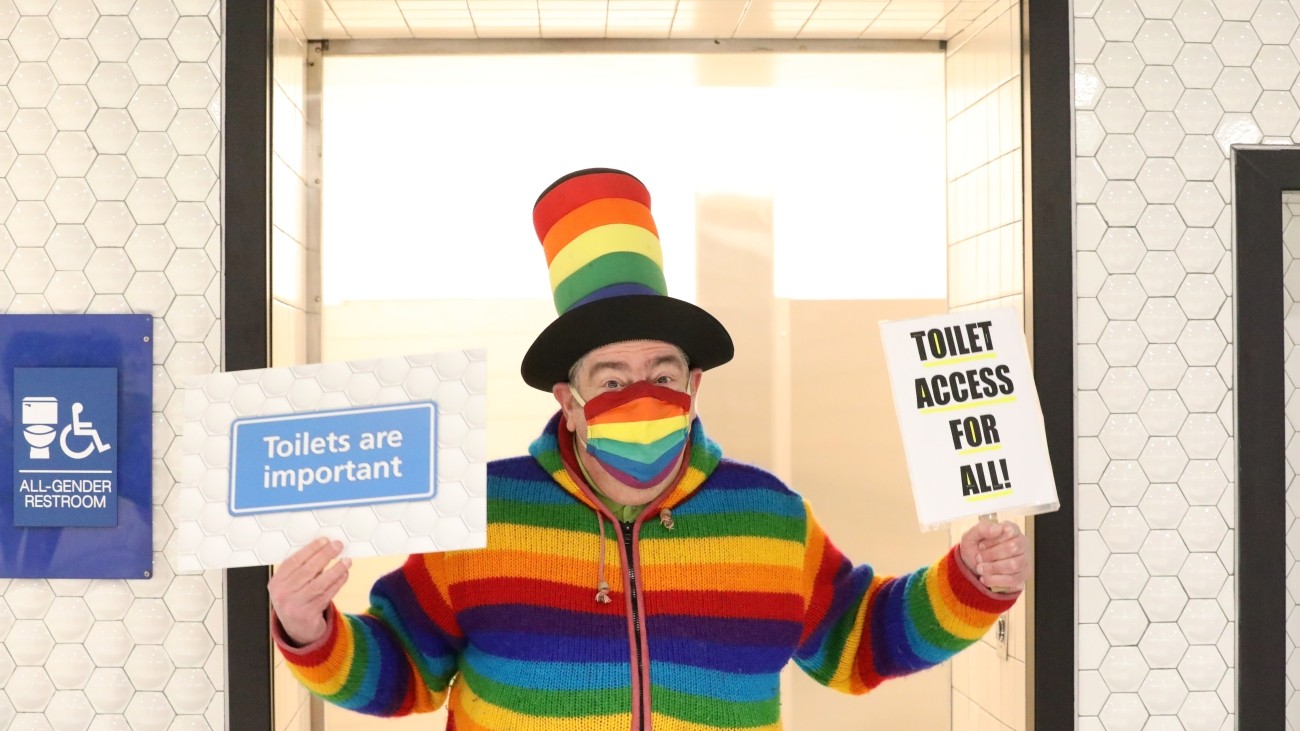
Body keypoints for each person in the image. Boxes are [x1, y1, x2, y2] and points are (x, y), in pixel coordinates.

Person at [269, 167, 1031, 730]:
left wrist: (969, 582)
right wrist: (311, 629)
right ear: (567, 397)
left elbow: (860, 639)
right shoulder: (482, 509)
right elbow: (403, 671)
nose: (642, 391)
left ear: (694, 383)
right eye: (611, 375)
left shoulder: (767, 512)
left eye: (662, 372)